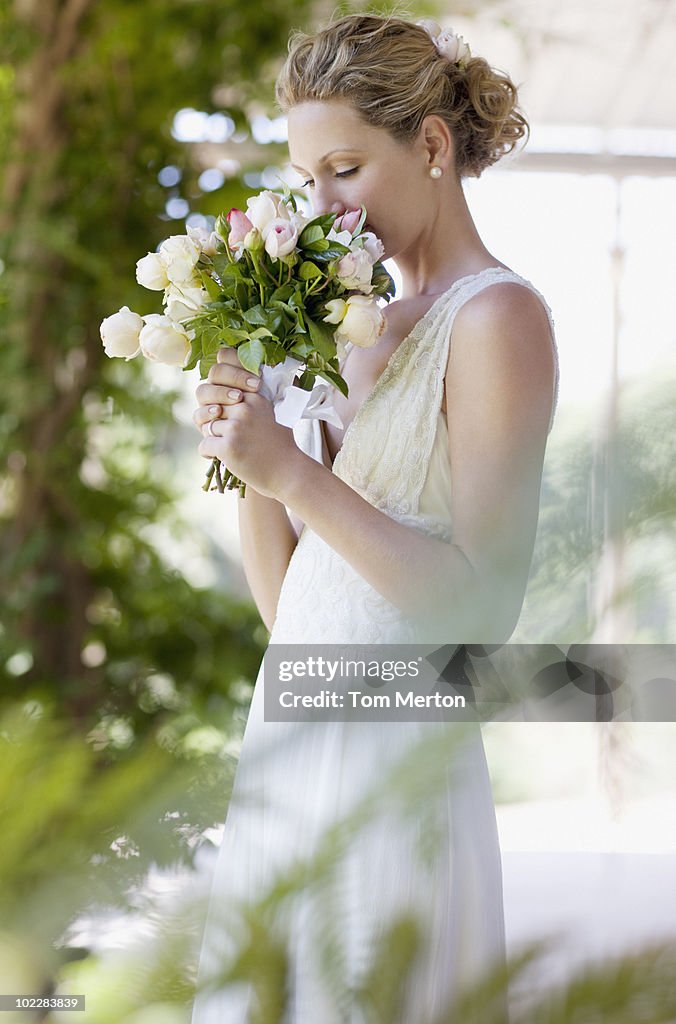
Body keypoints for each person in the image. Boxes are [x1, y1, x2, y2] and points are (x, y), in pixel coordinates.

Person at [190, 12, 559, 1022]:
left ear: (431, 146)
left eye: (344, 170)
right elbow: (294, 612)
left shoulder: (497, 320)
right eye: (306, 179)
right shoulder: (356, 324)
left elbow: (481, 613)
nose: (322, 210)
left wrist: (298, 479)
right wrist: (242, 448)